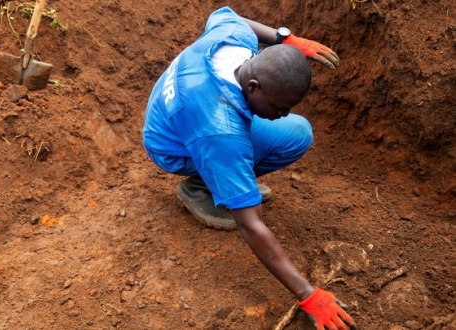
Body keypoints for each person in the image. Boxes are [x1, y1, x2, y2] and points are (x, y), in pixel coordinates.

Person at [142, 6, 356, 330]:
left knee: (296, 132)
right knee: (241, 163)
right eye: (278, 106)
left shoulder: (236, 39)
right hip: (171, 144)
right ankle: (201, 187)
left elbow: (228, 15)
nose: (282, 113)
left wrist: (285, 39)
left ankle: (221, 179)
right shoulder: (220, 130)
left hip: (180, 110)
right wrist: (307, 294)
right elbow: (251, 226)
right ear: (253, 87)